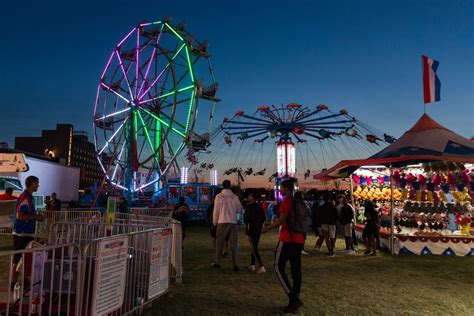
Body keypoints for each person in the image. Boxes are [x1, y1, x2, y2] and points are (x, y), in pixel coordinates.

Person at [262, 179, 304, 314]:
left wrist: (267, 228)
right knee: (296, 269)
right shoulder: (298, 201)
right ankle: (296, 297)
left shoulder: (287, 202)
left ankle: (293, 299)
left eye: (281, 187)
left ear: (286, 188)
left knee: (278, 267)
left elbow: (281, 220)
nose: (280, 190)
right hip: (299, 239)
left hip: (287, 239)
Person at [11, 176, 44, 287]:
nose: (38, 185)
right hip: (21, 233)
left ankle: (23, 282)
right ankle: (13, 282)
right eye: (37, 183)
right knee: (18, 258)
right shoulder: (25, 197)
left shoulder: (29, 197)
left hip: (25, 233)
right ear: (32, 183)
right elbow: (19, 215)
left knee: (24, 258)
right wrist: (36, 216)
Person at [212, 180, 243, 271]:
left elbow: (216, 210)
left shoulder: (219, 196)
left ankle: (217, 262)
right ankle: (235, 265)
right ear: (230, 186)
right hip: (232, 222)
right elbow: (240, 209)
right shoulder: (234, 197)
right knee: (234, 244)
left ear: (222, 186)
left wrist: (215, 222)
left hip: (222, 221)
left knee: (219, 243)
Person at [243, 193, 266, 273]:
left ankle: (261, 266)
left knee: (254, 248)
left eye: (249, 196)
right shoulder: (259, 207)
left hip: (251, 229)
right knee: (254, 246)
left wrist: (249, 222)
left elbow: (245, 219)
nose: (248, 197)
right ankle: (252, 265)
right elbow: (263, 217)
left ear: (252, 197)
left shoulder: (249, 207)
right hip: (258, 229)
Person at [319, 192, 338, 257]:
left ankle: (330, 250)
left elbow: (319, 216)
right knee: (332, 237)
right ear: (329, 199)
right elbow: (336, 215)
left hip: (324, 223)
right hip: (332, 223)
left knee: (327, 237)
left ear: (324, 199)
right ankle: (332, 250)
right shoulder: (333, 206)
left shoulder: (322, 207)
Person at [294, 191, 311, 256]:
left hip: (295, 224)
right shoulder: (303, 204)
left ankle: (298, 249)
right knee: (302, 238)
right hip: (301, 224)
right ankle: (301, 249)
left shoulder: (293, 204)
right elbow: (308, 213)